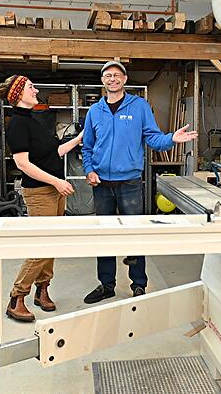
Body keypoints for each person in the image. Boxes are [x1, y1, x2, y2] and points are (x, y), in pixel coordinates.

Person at [81, 61, 197, 304]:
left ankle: (139, 284)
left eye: (117, 75)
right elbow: (88, 147)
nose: (112, 79)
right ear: (103, 81)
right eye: (108, 75)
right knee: (104, 236)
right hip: (101, 183)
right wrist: (89, 170)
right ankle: (106, 285)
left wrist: (171, 139)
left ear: (124, 79)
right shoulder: (94, 111)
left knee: (135, 234)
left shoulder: (139, 106)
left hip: (130, 183)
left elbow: (153, 138)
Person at [0, 75, 82, 322]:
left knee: (52, 242)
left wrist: (78, 139)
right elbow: (23, 164)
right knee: (41, 245)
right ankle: (17, 297)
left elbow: (52, 152)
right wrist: (56, 181)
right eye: (30, 87)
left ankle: (42, 289)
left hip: (54, 191)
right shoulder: (16, 124)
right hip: (39, 192)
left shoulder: (34, 120)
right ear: (18, 95)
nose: (36, 90)